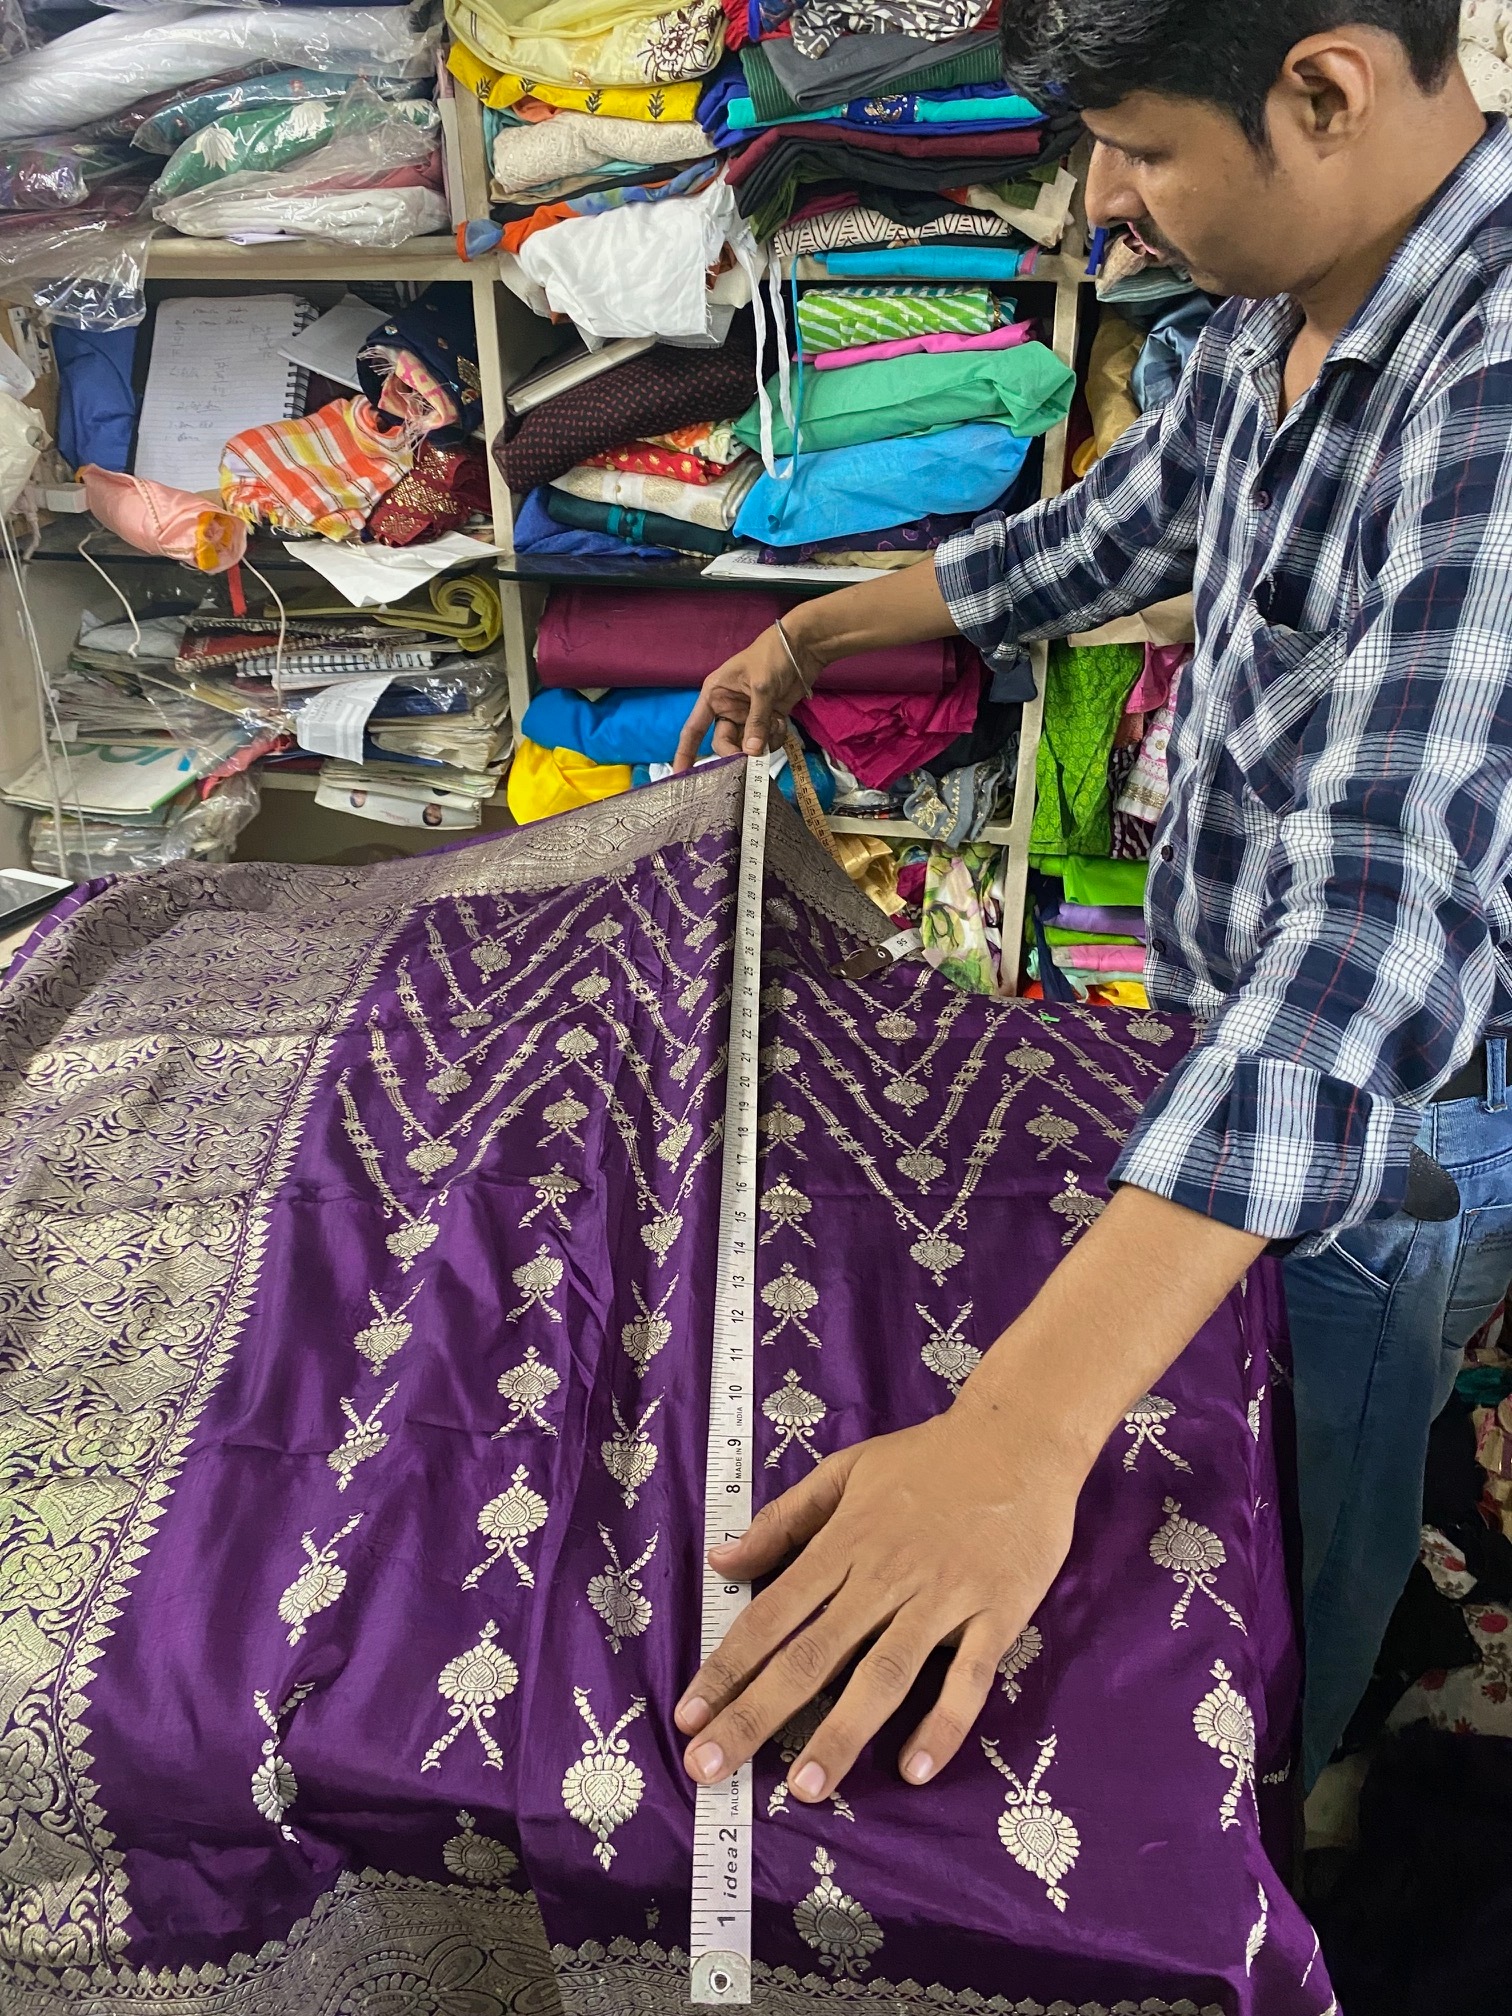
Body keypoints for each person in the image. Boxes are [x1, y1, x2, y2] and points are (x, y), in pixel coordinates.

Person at [670, 0, 1512, 1811]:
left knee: (1326, 1453)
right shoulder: (1271, 318)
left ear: (1326, 89)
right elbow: (1105, 536)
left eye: (1137, 144)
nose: (1105, 206)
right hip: (1236, 1017)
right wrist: (814, 630)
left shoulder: (1495, 391)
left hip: (1400, 1105)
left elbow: (1380, 927)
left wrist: (1016, 1434)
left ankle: (1315, 1758)